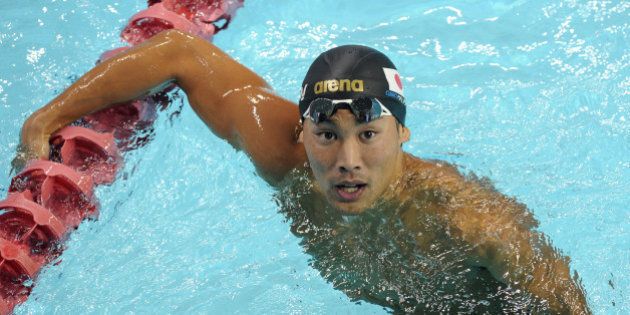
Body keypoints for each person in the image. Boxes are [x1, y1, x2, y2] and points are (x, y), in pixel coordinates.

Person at [14, 30, 589, 313]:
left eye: (369, 135)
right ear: (302, 131)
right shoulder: (284, 155)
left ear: (402, 134)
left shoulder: (473, 225)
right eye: (327, 135)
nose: (346, 162)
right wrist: (47, 118)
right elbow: (178, 55)